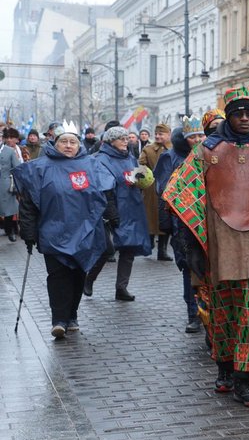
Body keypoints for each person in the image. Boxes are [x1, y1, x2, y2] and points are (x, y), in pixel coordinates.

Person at [163, 86, 249, 407]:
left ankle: (246, 380)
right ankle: (226, 367)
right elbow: (181, 197)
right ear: (228, 115)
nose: (244, 118)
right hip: (222, 239)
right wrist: (193, 248)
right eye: (238, 113)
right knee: (226, 310)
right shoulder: (205, 151)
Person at [14, 122, 115, 338]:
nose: (68, 146)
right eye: (64, 142)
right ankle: (58, 319)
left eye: (73, 142)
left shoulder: (91, 165)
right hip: (53, 231)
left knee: (78, 274)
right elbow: (28, 204)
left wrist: (113, 215)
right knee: (58, 276)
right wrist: (28, 232)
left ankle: (72, 315)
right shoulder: (39, 167)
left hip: (85, 232)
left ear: (79, 145)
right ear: (54, 143)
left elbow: (106, 193)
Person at [83, 125, 152, 302]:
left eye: (127, 138)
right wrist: (112, 212)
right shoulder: (101, 159)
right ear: (110, 141)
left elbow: (133, 177)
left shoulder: (129, 157)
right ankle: (88, 280)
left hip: (130, 207)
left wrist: (142, 178)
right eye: (121, 138)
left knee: (128, 248)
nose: (126, 141)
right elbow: (104, 188)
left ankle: (121, 288)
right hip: (108, 210)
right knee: (107, 249)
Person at [154, 120, 205, 333]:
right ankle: (193, 313)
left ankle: (209, 311)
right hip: (183, 222)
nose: (197, 140)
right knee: (189, 267)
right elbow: (164, 189)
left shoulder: (208, 153)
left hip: (207, 219)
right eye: (193, 137)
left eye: (200, 136)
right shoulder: (170, 157)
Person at [139, 123, 172, 261]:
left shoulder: (173, 150)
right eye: (156, 134)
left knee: (166, 219)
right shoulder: (148, 149)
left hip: (169, 188)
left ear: (168, 135)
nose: (158, 136)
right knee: (151, 218)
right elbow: (140, 165)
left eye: (161, 134)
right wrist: (143, 178)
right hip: (152, 189)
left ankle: (162, 251)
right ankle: (149, 244)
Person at [0, 127, 25, 241]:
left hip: (6, 184)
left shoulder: (9, 151)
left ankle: (9, 230)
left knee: (8, 210)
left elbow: (17, 167)